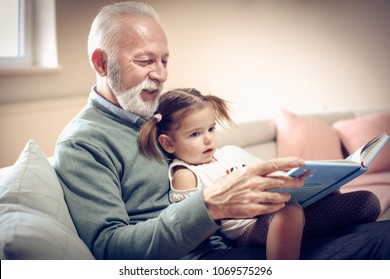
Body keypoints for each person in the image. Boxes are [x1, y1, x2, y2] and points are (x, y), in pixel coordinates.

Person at [54, 1, 390, 260]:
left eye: (165, 60)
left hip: (240, 239)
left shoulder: (155, 112)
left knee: (370, 213)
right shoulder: (84, 144)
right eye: (145, 61)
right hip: (207, 258)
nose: (160, 75)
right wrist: (211, 205)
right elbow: (110, 250)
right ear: (101, 63)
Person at [138, 87, 381, 259]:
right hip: (249, 228)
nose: (207, 138)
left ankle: (311, 233)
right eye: (195, 134)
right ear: (168, 143)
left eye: (211, 129)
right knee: (290, 213)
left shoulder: (223, 155)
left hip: (272, 211)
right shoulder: (185, 172)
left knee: (367, 202)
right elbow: (193, 223)